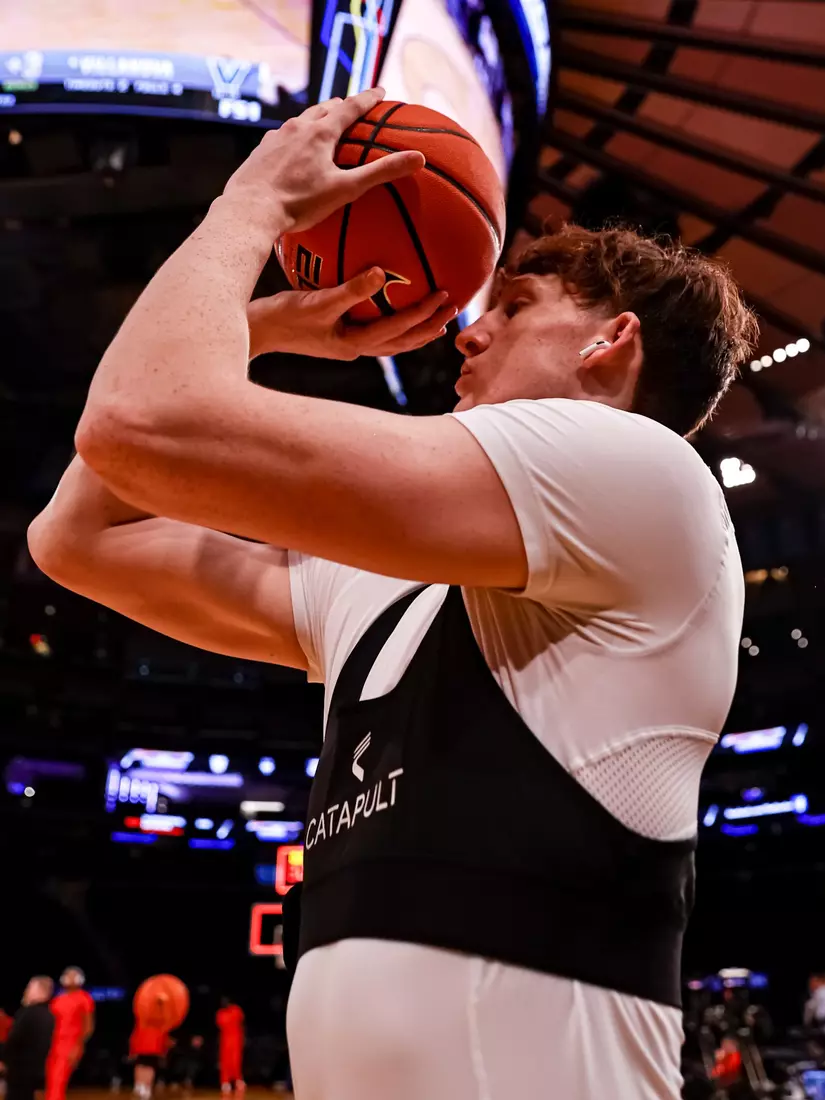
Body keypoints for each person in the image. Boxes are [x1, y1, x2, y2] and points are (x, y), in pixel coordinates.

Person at [27, 87, 755, 1100]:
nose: (466, 329)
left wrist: (251, 208)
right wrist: (261, 328)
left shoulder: (639, 474)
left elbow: (139, 422)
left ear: (611, 343)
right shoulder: (382, 574)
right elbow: (77, 537)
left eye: (513, 306)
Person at [46, 967, 95, 1100]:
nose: (69, 978)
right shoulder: (57, 999)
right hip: (53, 1043)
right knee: (51, 1079)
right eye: (67, 975)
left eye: (73, 976)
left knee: (59, 1079)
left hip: (70, 1044)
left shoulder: (85, 998)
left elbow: (89, 1026)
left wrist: (78, 1046)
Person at [2, 977, 55, 1100]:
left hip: (19, 1072)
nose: (26, 991)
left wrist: (3, 1059)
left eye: (30, 988)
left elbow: (13, 1040)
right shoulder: (49, 1016)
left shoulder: (27, 1013)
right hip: (36, 1072)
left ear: (41, 992)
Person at [128, 1021, 170, 1100]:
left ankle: (143, 1087)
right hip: (148, 1043)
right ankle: (142, 1087)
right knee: (144, 1065)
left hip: (150, 1043)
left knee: (146, 1065)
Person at [215, 1000, 245, 1094]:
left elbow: (242, 1022)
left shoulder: (236, 1010)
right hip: (226, 1040)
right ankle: (225, 1082)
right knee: (225, 1061)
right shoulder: (220, 1013)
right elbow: (220, 1025)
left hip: (236, 1039)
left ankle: (238, 1081)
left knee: (236, 1060)